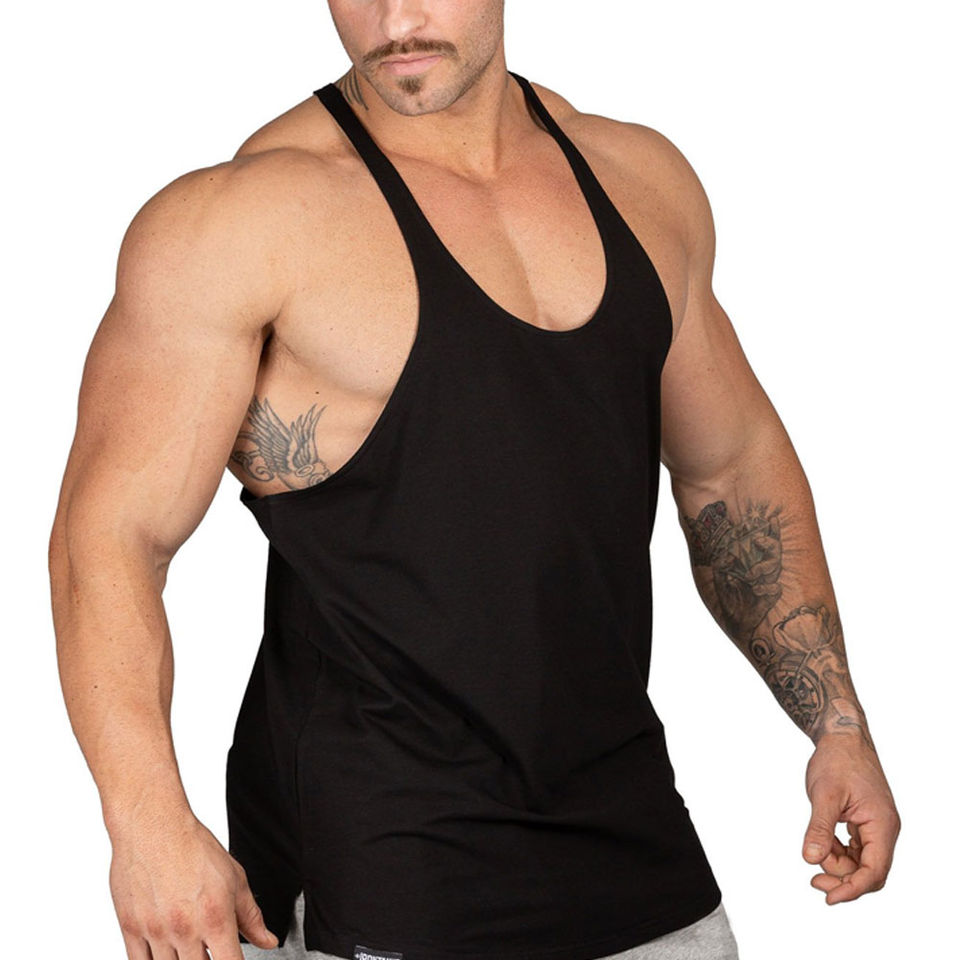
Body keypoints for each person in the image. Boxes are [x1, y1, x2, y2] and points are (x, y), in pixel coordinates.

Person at [48, 2, 901, 959]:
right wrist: (147, 825)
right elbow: (109, 537)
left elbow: (729, 469)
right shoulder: (242, 222)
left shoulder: (638, 180)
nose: (396, 17)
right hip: (382, 878)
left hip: (636, 858)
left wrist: (837, 724)